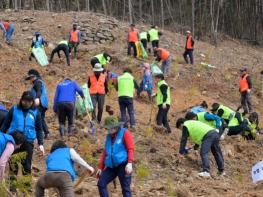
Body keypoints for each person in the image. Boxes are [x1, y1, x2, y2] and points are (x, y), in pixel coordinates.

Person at [1, 91, 45, 175]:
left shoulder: (36, 112)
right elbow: (5, 124)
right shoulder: (14, 109)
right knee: (13, 164)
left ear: (32, 102)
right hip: (14, 141)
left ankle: (26, 187)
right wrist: (1, 136)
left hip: (28, 141)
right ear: (21, 100)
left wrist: (41, 144)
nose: (27, 103)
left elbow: (39, 129)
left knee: (27, 166)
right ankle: (12, 187)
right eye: (24, 101)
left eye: (29, 101)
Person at [97, 116, 134, 197]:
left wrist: (130, 163)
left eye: (111, 128)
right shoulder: (109, 137)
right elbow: (105, 152)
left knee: (125, 189)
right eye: (108, 128)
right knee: (101, 183)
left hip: (123, 165)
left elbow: (130, 149)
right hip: (111, 166)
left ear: (116, 126)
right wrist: (100, 167)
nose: (109, 130)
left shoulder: (125, 133)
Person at [25, 69, 49, 139]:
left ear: (34, 77)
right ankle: (46, 132)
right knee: (41, 118)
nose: (30, 80)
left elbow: (39, 91)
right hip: (43, 104)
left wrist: (37, 98)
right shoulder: (39, 82)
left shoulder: (37, 82)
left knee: (37, 118)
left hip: (39, 103)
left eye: (30, 78)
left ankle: (40, 133)